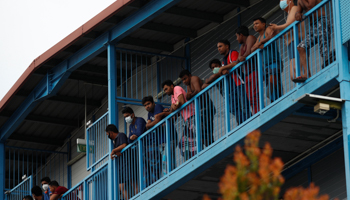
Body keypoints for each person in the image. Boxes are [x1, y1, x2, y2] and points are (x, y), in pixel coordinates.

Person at [295, 0, 332, 82]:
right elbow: (297, 13)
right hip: (313, 26)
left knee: (324, 48)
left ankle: (328, 65)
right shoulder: (299, 1)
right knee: (301, 47)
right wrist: (297, 14)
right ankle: (307, 73)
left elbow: (310, 6)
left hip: (322, 21)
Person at [216, 40, 251, 125]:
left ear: (227, 46)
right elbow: (225, 70)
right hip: (233, 87)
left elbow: (235, 63)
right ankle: (243, 123)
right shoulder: (224, 59)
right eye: (218, 47)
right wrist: (223, 70)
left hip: (240, 83)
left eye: (220, 46)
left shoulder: (233, 52)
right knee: (232, 108)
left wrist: (222, 69)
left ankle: (249, 122)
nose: (219, 49)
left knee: (244, 106)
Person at [270, 0, 305, 82]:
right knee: (293, 75)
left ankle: (304, 83)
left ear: (290, 1)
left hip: (296, 41)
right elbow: (288, 33)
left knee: (297, 69)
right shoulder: (289, 13)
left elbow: (291, 23)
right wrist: (278, 34)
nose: (281, 2)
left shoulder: (295, 8)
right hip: (291, 43)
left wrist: (276, 27)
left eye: (283, 0)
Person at [179, 69, 216, 147]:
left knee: (204, 130)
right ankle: (211, 145)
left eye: (185, 78)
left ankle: (211, 145)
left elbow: (198, 90)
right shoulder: (188, 85)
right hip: (201, 110)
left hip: (207, 107)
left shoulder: (193, 78)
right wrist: (188, 96)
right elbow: (189, 97)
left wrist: (189, 95)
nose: (184, 81)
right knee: (204, 131)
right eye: (182, 80)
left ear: (189, 76)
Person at [162, 80, 196, 160]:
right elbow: (175, 110)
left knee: (189, 141)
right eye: (164, 90)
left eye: (166, 89)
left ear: (171, 86)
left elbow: (182, 102)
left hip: (192, 116)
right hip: (187, 120)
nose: (165, 91)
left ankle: (193, 158)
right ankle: (191, 159)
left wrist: (173, 107)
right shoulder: (172, 96)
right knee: (184, 143)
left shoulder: (176, 88)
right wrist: (169, 110)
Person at [251, 17, 283, 103]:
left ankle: (279, 99)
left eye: (257, 23)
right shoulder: (259, 37)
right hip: (266, 66)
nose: (255, 26)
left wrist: (261, 42)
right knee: (275, 85)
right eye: (254, 25)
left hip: (274, 61)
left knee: (271, 86)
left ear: (263, 24)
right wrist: (259, 43)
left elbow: (271, 36)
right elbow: (252, 50)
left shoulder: (268, 29)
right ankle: (277, 101)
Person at [235, 26, 260, 113]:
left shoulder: (250, 37)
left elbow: (248, 52)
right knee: (250, 97)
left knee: (255, 95)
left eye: (237, 36)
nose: (237, 39)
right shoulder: (242, 46)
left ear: (241, 35)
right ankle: (255, 113)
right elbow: (238, 60)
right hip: (246, 75)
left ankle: (258, 112)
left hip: (254, 71)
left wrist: (242, 57)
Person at [105, 124, 129, 200]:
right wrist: (116, 152)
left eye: (107, 134)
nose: (108, 136)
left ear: (111, 132)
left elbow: (124, 145)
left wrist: (114, 151)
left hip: (127, 163)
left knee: (133, 183)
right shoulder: (114, 141)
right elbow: (119, 149)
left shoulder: (121, 135)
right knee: (121, 187)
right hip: (121, 165)